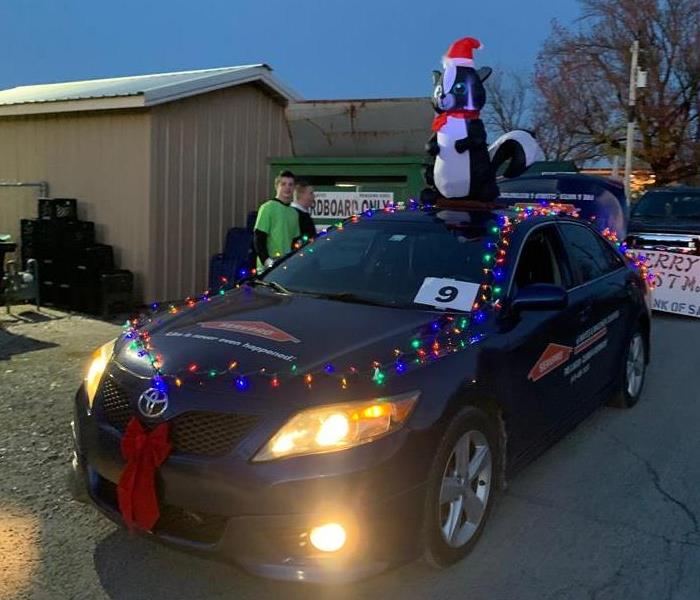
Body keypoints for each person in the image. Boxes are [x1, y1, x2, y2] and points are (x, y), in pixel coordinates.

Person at [253, 170, 299, 270]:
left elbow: (294, 241)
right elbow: (259, 238)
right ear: (277, 186)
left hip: (285, 267)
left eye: (290, 184)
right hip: (268, 269)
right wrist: (266, 261)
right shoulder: (267, 207)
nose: (287, 188)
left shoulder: (294, 213)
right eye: (283, 184)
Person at [291, 180, 317, 245]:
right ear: (301, 195)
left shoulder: (304, 214)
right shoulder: (293, 214)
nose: (313, 196)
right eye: (311, 193)